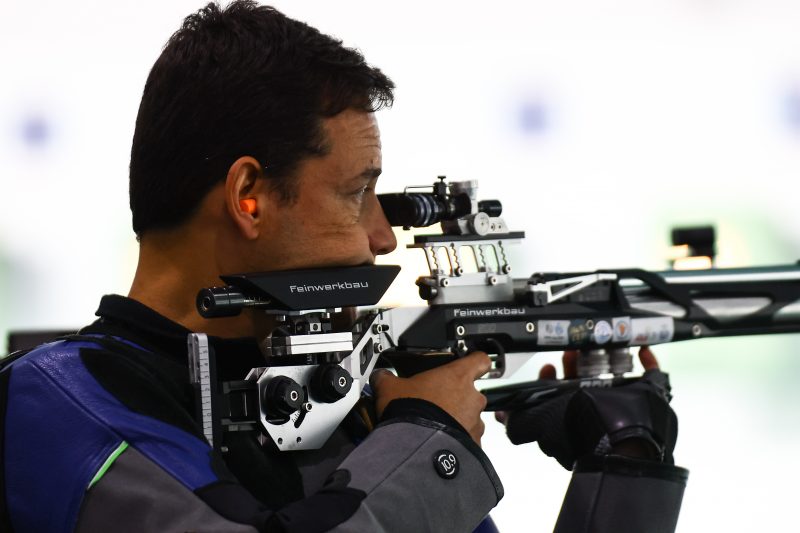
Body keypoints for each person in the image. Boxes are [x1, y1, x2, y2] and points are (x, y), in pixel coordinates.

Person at [0, 2, 687, 532]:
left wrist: (623, 469)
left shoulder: (347, 416)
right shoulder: (52, 410)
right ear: (249, 198)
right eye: (358, 193)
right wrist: (432, 442)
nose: (384, 237)